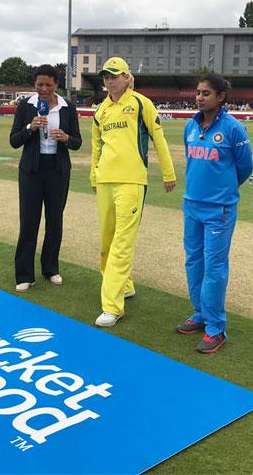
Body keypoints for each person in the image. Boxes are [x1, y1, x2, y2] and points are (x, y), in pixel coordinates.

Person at [90, 57, 176, 327]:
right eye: (106, 76)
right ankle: (125, 285)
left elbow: (158, 138)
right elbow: (96, 148)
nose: (109, 80)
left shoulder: (141, 103)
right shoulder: (100, 111)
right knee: (107, 243)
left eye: (114, 75)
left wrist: (168, 173)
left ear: (127, 77)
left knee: (122, 244)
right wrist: (94, 176)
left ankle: (112, 306)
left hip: (131, 182)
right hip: (105, 181)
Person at [177, 74, 253, 353]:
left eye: (206, 93)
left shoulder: (234, 129)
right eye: (198, 93)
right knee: (193, 261)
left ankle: (216, 328)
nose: (199, 97)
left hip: (219, 209)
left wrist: (222, 192)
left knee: (214, 267)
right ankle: (200, 313)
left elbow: (244, 168)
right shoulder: (190, 126)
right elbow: (191, 159)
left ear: (221, 97)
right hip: (192, 204)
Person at [9, 64, 82, 292]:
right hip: (32, 171)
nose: (43, 89)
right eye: (39, 84)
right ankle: (24, 274)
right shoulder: (26, 106)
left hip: (57, 171)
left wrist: (65, 137)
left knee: (54, 221)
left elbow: (77, 142)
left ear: (56, 85)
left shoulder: (67, 107)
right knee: (29, 222)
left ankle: (51, 268)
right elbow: (14, 140)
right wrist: (30, 127)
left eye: (48, 85)